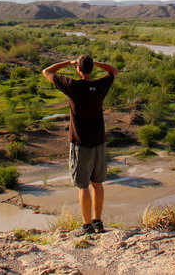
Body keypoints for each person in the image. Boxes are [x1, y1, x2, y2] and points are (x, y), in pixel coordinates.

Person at [43, 54, 118, 235]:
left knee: (83, 185)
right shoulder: (100, 85)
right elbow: (113, 71)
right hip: (99, 142)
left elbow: (47, 71)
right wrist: (97, 63)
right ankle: (98, 222)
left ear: (78, 69)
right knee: (97, 183)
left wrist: (68, 62)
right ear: (92, 69)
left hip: (80, 144)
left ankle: (87, 226)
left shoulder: (73, 86)